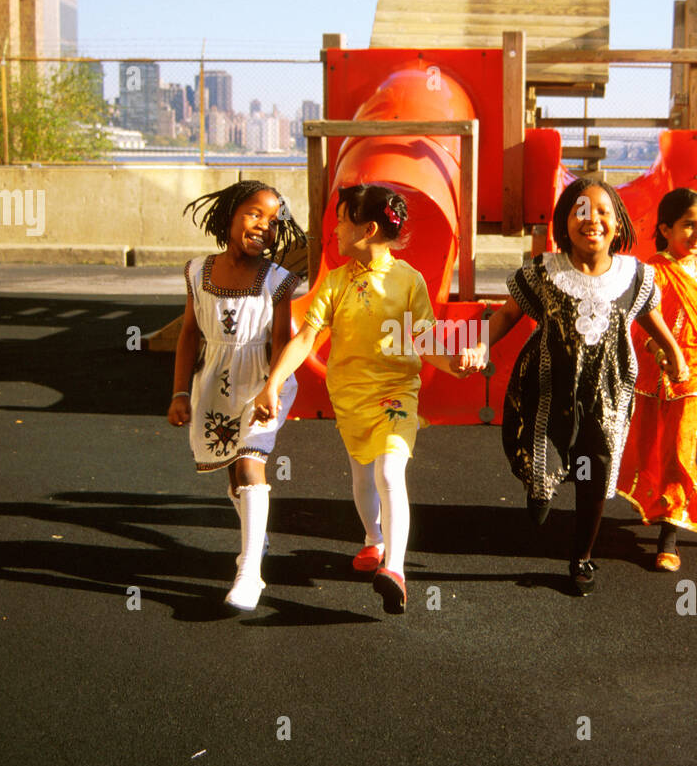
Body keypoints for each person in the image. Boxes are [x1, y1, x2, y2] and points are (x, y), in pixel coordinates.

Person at [252, 184, 472, 615]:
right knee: (361, 477)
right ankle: (373, 539)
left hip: (396, 395)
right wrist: (273, 382)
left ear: (368, 228)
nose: (333, 229)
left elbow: (423, 339)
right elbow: (307, 338)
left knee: (390, 470)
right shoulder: (335, 282)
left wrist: (452, 364)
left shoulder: (409, 281)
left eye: (340, 219)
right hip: (350, 399)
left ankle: (395, 570)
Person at [463, 177, 688, 596]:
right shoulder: (542, 272)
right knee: (541, 463)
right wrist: (480, 343)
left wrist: (674, 354)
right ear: (565, 222)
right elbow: (507, 316)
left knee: (594, 475)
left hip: (608, 393)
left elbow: (651, 322)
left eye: (603, 212)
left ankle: (582, 556)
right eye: (581, 211)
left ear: (618, 224)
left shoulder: (635, 276)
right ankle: (539, 488)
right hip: (547, 390)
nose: (592, 220)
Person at [167, 180, 305, 612]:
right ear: (229, 216)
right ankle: (255, 535)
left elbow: (281, 342)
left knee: (250, 462)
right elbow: (189, 334)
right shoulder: (196, 272)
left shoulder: (278, 280)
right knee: (232, 472)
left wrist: (271, 388)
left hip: (263, 381)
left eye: (272, 220)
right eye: (253, 213)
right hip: (214, 380)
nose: (264, 225)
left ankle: (250, 572)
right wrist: (179, 392)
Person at [617, 188, 697, 572]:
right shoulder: (649, 271)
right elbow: (638, 326)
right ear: (665, 228)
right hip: (654, 374)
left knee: (680, 449)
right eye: (690, 225)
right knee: (650, 446)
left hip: (696, 376)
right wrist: (660, 354)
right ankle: (657, 507)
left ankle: (669, 536)